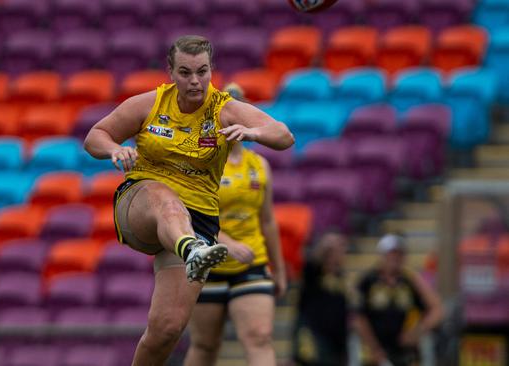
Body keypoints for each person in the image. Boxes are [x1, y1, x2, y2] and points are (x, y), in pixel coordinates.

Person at [84, 35, 294, 365]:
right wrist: (115, 149)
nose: (194, 81)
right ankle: (191, 248)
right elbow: (95, 135)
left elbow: (284, 135)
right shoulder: (149, 104)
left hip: (197, 222)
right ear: (170, 72)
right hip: (142, 202)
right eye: (184, 72)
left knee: (166, 329)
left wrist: (254, 133)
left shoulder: (225, 109)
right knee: (166, 200)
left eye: (202, 71)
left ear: (212, 71)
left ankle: (191, 247)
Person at [182, 84, 288, 366]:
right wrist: (227, 244)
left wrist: (278, 268)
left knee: (259, 337)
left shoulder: (259, 165)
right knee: (205, 345)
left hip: (252, 262)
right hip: (209, 265)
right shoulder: (203, 163)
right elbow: (191, 218)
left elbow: (267, 220)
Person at [353, 234, 444, 366]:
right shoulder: (368, 281)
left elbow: (437, 309)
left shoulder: (409, 280)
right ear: (382, 255)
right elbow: (358, 317)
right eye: (391, 253)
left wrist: (417, 331)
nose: (395, 258)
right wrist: (374, 349)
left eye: (399, 254)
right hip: (374, 353)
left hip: (404, 353)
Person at [292, 230, 349, 366]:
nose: (339, 254)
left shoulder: (340, 276)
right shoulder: (314, 271)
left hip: (335, 339)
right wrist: (325, 244)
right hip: (313, 334)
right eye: (335, 251)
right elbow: (312, 260)